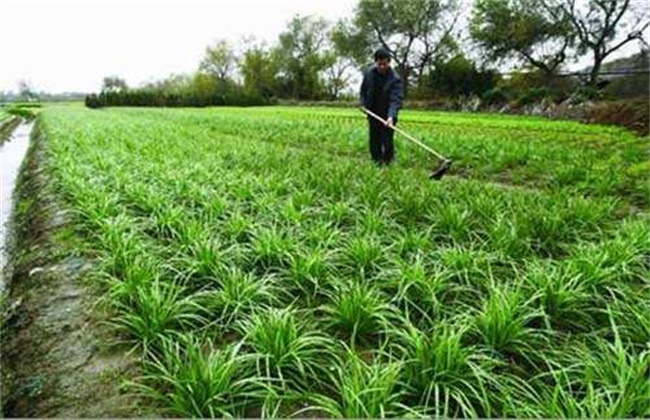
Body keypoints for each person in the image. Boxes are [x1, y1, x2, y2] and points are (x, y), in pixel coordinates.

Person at [359, 48, 404, 166]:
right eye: (379, 64)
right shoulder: (369, 73)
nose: (382, 67)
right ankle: (376, 163)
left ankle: (388, 163)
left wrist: (391, 116)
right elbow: (363, 90)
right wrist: (363, 104)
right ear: (375, 62)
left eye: (385, 64)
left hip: (388, 114)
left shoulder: (395, 79)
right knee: (374, 139)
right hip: (373, 111)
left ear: (389, 63)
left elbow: (396, 100)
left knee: (387, 140)